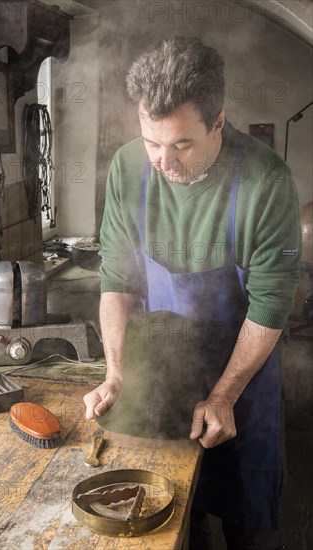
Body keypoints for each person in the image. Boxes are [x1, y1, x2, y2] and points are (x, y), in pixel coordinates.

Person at [83, 36, 301, 550]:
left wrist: (224, 395)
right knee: (177, 511)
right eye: (152, 141)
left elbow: (270, 305)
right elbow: (117, 280)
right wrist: (116, 373)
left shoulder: (266, 181)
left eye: (181, 144)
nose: (163, 161)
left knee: (248, 521)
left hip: (244, 380)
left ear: (219, 122)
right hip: (168, 372)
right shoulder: (128, 167)